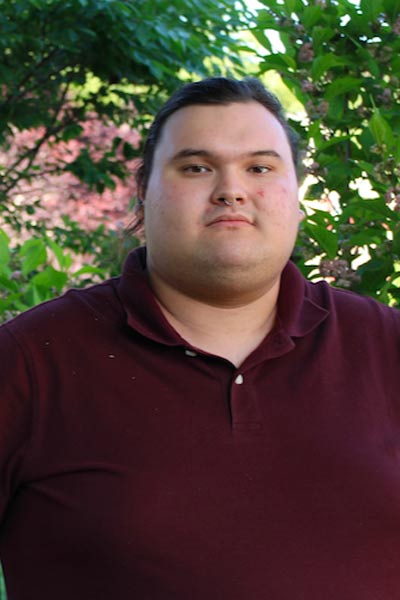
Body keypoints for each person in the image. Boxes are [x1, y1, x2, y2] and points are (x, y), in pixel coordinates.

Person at [0, 76, 399, 600]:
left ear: (296, 195)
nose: (231, 189)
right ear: (143, 192)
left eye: (260, 167)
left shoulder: (386, 346)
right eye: (196, 167)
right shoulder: (29, 360)